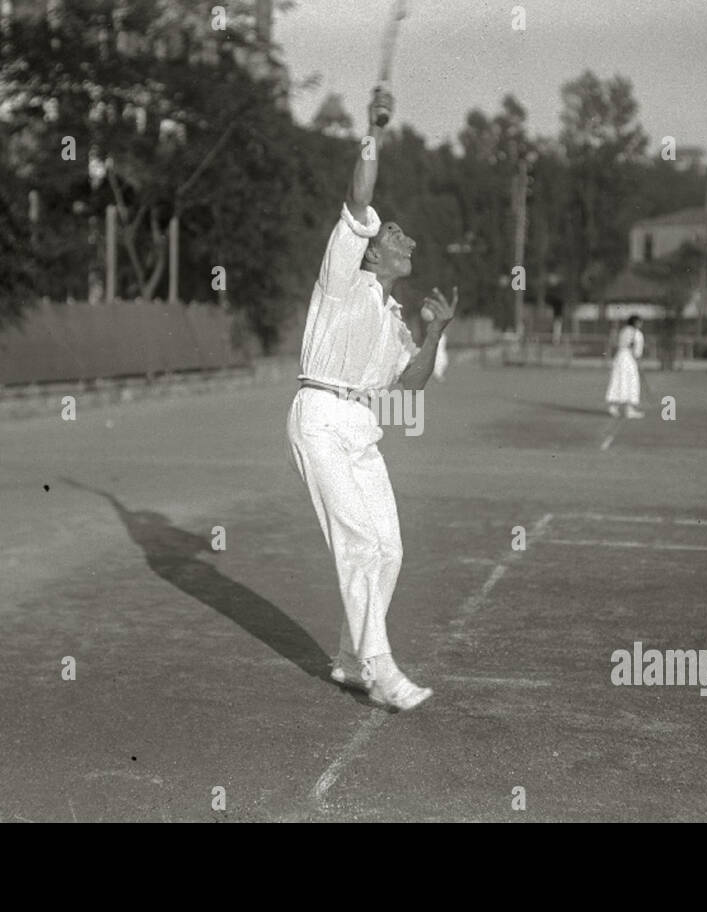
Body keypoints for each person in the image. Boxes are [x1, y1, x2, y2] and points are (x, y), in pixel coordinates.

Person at [286, 87, 457, 712]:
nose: (406, 238)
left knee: (390, 547)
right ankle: (381, 669)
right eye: (396, 233)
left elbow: (409, 389)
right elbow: (360, 195)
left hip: (360, 426)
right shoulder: (343, 278)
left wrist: (436, 332)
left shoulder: (393, 320)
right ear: (371, 247)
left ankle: (350, 657)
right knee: (359, 543)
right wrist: (373, 127)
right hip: (320, 415)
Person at [606, 315, 645, 418]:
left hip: (619, 357)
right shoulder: (637, 334)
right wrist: (637, 359)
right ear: (635, 323)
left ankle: (613, 407)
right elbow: (637, 352)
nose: (641, 324)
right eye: (639, 322)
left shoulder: (624, 331)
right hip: (628, 359)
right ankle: (629, 409)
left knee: (619, 381)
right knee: (631, 382)